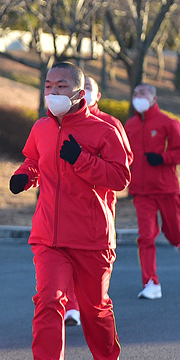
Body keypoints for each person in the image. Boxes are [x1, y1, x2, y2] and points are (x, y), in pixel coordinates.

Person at [9, 62, 131, 360]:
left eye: (61, 86)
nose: (53, 92)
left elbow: (120, 178)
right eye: (48, 85)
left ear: (79, 93)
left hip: (92, 236)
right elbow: (34, 160)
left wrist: (81, 159)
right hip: (48, 234)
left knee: (95, 309)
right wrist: (24, 175)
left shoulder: (106, 129)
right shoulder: (41, 128)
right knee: (48, 300)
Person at [58, 77, 132, 326]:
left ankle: (91, 302)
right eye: (83, 87)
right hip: (67, 205)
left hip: (101, 201)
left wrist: (86, 160)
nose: (86, 92)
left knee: (92, 265)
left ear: (97, 95)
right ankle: (72, 306)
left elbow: (124, 163)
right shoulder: (57, 124)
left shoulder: (110, 124)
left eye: (90, 88)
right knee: (63, 253)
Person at [124, 83, 180, 300]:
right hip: (141, 192)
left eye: (142, 93)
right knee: (145, 237)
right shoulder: (130, 125)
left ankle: (179, 239)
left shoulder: (168, 122)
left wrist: (162, 158)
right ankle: (151, 283)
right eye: (135, 94)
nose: (138, 97)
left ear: (154, 98)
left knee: (172, 232)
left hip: (166, 188)